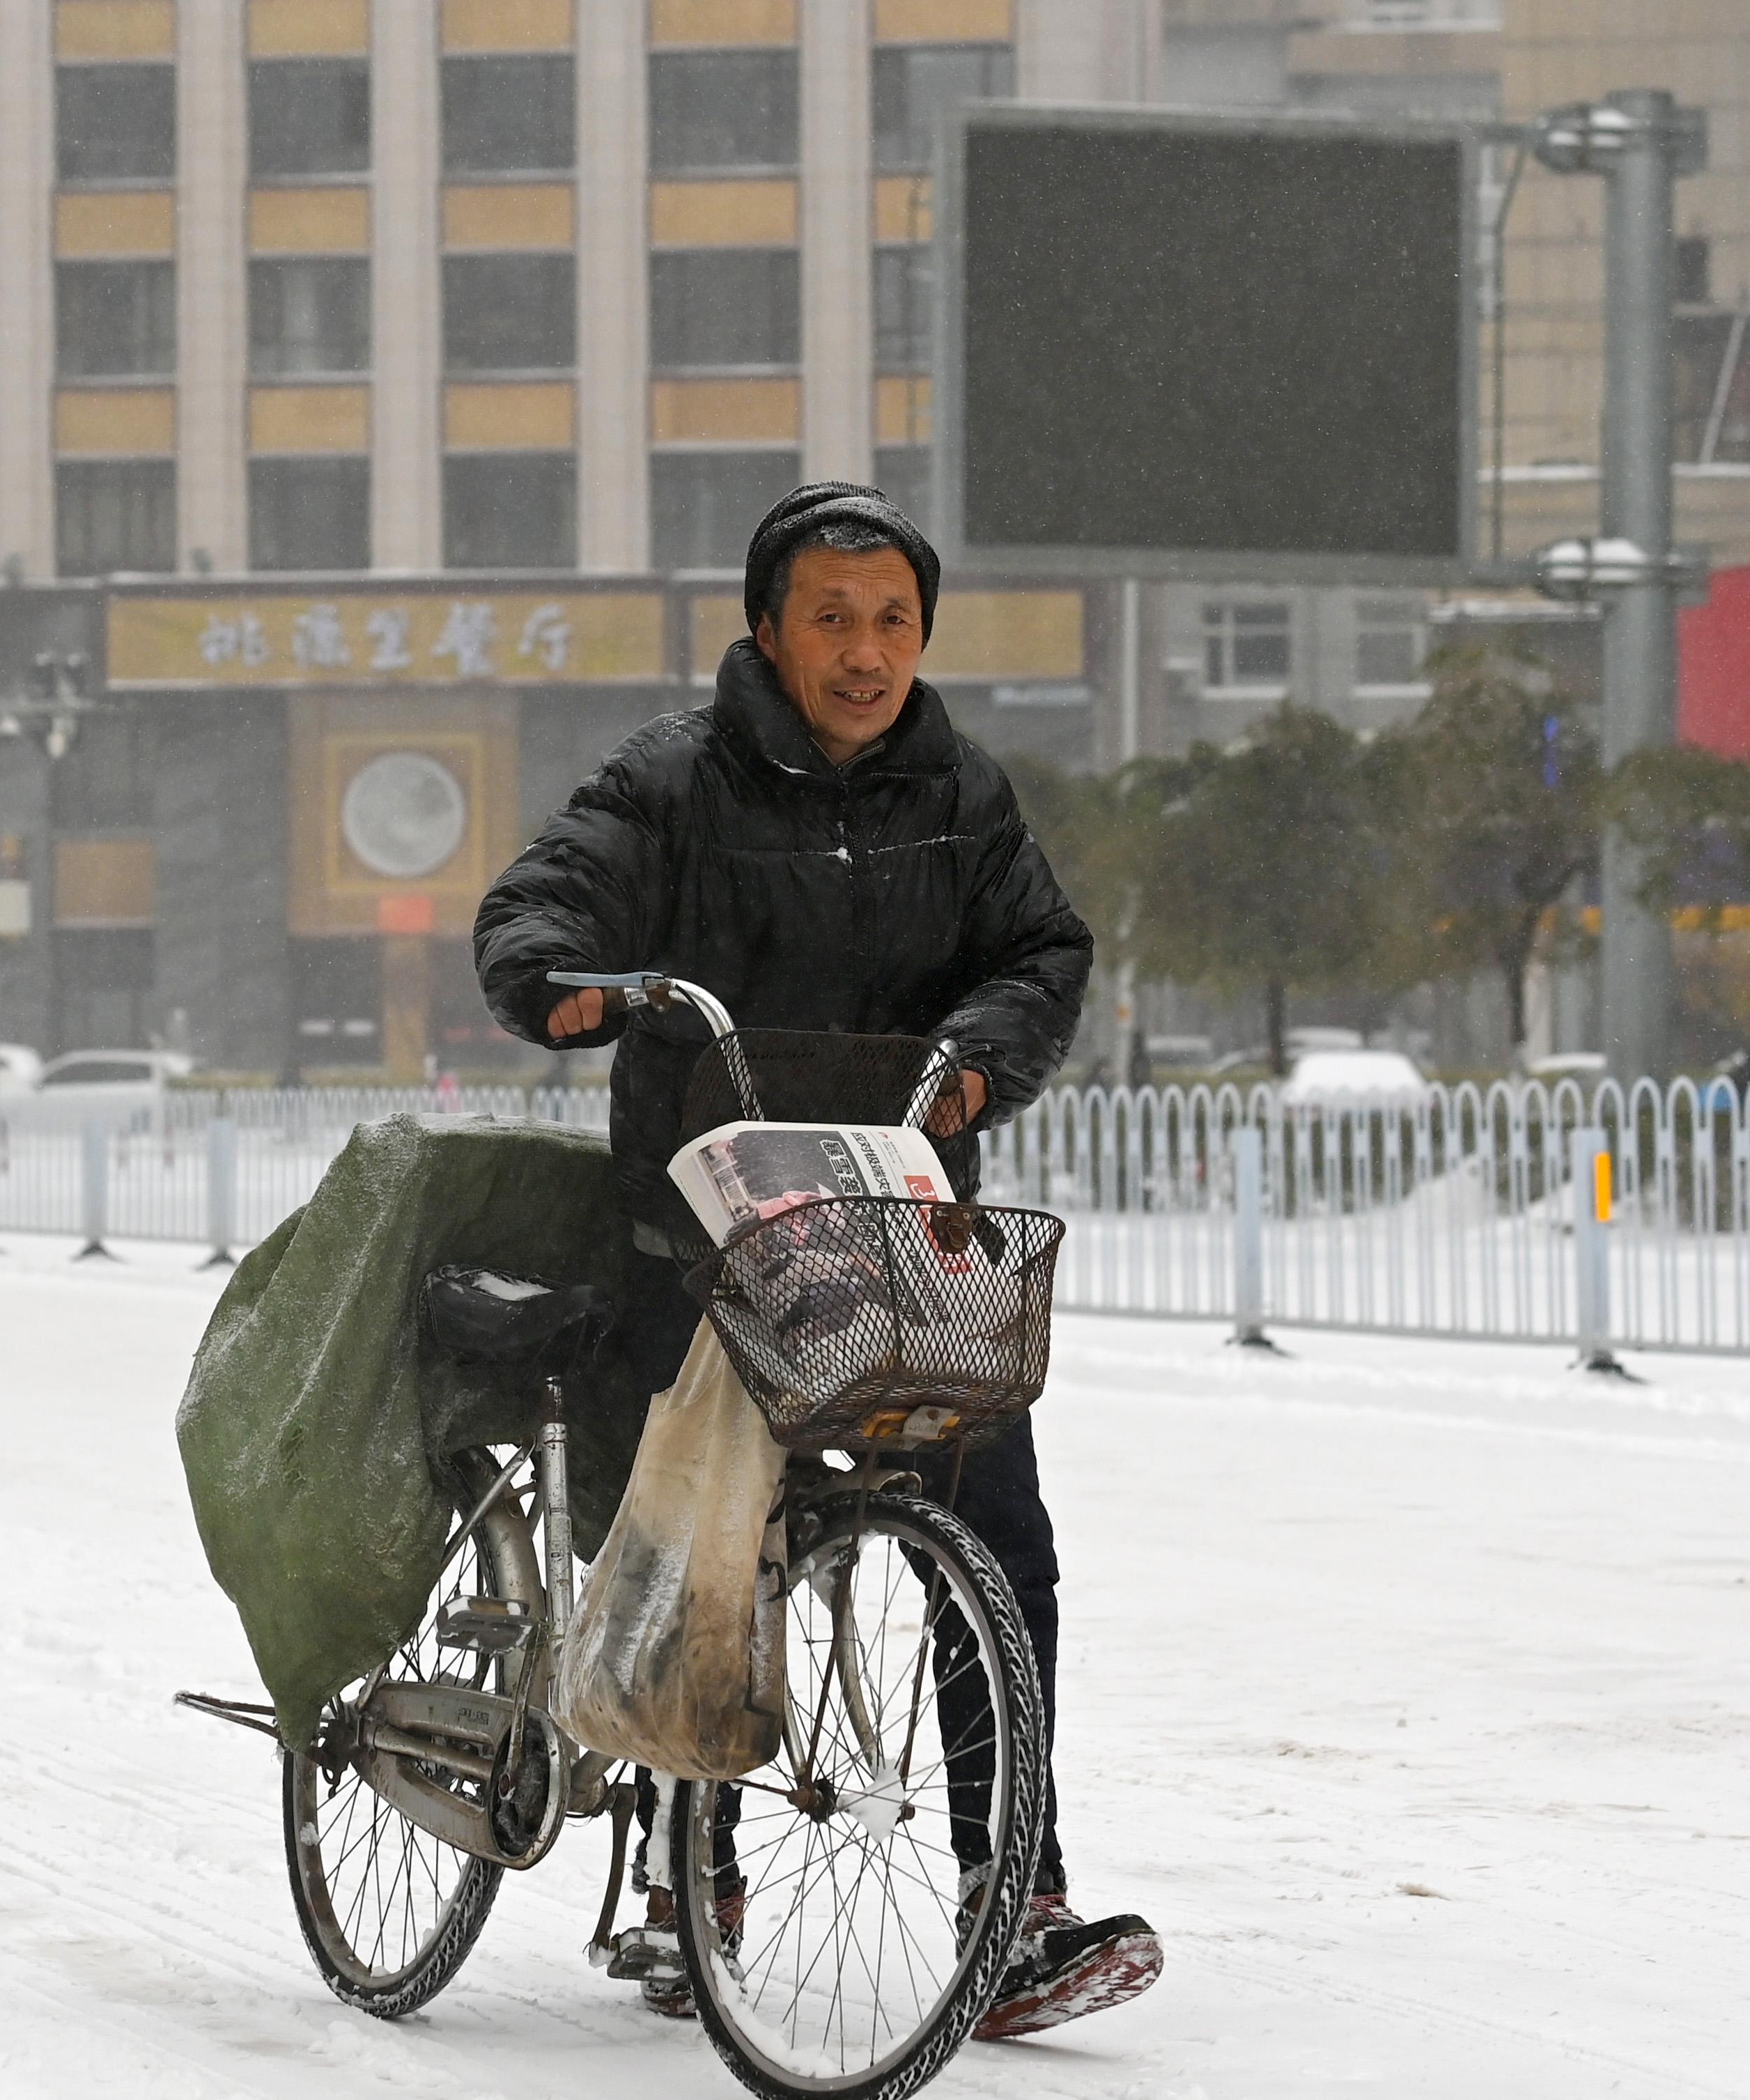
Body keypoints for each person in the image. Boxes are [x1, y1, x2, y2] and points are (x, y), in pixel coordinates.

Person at [473, 483, 1162, 2039]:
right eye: (832, 620)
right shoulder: (671, 778)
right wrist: (561, 979)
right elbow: (540, 898)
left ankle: (1019, 1899)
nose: (866, 653)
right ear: (768, 631)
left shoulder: (959, 792)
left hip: (899, 1225)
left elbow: (1039, 952)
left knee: (1001, 1535)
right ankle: (685, 1864)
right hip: (706, 1228)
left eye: (894, 622)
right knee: (701, 1532)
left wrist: (988, 1050)